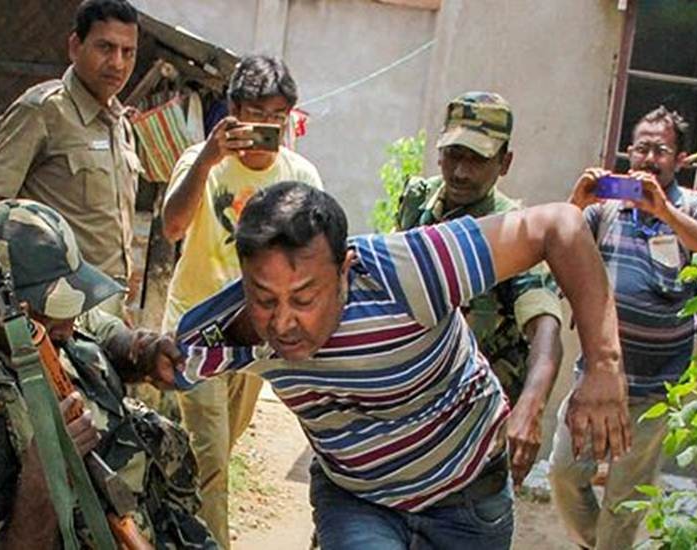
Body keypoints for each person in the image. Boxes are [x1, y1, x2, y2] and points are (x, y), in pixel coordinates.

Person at [153, 181, 631, 549]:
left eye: (303, 298)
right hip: (358, 501)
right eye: (264, 299)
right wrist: (129, 349)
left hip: (469, 500)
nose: (283, 322)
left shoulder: (406, 271)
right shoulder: (226, 330)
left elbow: (560, 225)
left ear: (344, 270)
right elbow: (159, 362)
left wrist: (604, 366)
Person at [0, 199, 215, 549]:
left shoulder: (56, 326)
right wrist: (47, 476)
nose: (67, 327)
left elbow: (106, 335)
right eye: (53, 309)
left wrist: (146, 353)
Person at [159, 54, 323, 548]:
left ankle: (175, 529)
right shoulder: (201, 163)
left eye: (276, 117)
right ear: (233, 111)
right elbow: (172, 227)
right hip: (197, 332)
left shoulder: (300, 176)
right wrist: (208, 160)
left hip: (255, 339)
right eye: (255, 114)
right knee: (210, 459)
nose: (266, 127)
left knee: (216, 455)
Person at [549, 106, 697, 550]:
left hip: (656, 389)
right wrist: (577, 202)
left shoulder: (694, 206)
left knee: (624, 502)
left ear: (680, 159)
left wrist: (664, 211)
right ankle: (599, 544)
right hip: (595, 380)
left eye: (660, 150)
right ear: (629, 152)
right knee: (563, 473)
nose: (649, 159)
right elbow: (557, 246)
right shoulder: (606, 209)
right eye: (641, 148)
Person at [397, 91, 563, 487]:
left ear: (505, 163)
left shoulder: (514, 231)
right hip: (413, 402)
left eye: (476, 159)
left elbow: (545, 327)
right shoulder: (419, 203)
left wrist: (531, 408)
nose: (460, 172)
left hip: (478, 418)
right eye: (453, 155)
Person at [0, 0, 141, 319]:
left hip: (107, 305)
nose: (117, 63)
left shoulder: (120, 124)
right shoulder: (43, 111)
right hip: (53, 307)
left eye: (128, 52)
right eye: (105, 47)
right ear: (75, 46)